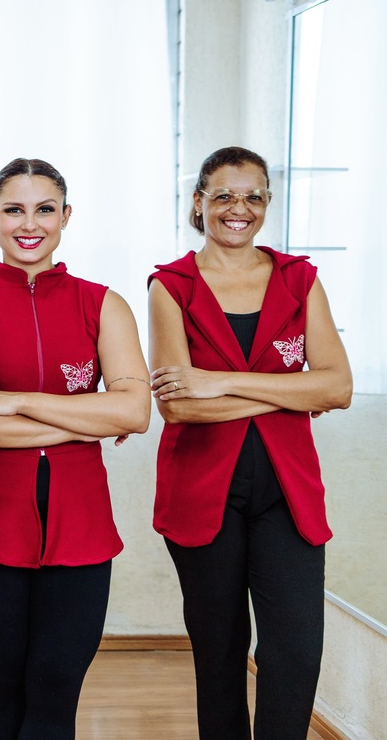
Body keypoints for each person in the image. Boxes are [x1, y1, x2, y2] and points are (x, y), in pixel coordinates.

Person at [0, 158, 150, 739]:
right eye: (14, 210)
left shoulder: (104, 304)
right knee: (5, 689)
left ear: (66, 217)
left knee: (56, 689)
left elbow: (134, 411)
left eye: (45, 209)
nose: (30, 224)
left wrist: (9, 400)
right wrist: (86, 421)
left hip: (82, 527)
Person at [148, 146, 352, 739]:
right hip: (201, 492)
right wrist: (292, 392)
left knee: (294, 651)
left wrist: (224, 382)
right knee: (219, 653)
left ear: (267, 202)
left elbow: (337, 387)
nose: (240, 209)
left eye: (254, 196)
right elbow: (179, 404)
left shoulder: (299, 279)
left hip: (288, 493)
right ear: (199, 203)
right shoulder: (172, 287)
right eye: (224, 196)